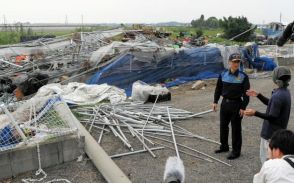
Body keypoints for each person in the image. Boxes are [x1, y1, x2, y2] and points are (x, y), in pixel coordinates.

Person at [244, 66, 291, 164]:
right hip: (277, 132)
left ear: (275, 78)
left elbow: (272, 117)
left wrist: (255, 113)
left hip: (270, 134)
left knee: (267, 161)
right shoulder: (285, 92)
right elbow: (273, 104)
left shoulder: (278, 95)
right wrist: (259, 95)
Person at [212, 53, 250, 160]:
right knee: (223, 127)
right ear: (229, 62)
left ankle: (236, 151)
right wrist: (215, 101)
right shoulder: (223, 74)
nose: (236, 63)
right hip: (225, 104)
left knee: (236, 129)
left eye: (238, 61)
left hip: (236, 104)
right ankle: (224, 146)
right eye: (234, 61)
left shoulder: (243, 76)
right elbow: (218, 89)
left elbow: (246, 94)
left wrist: (243, 107)